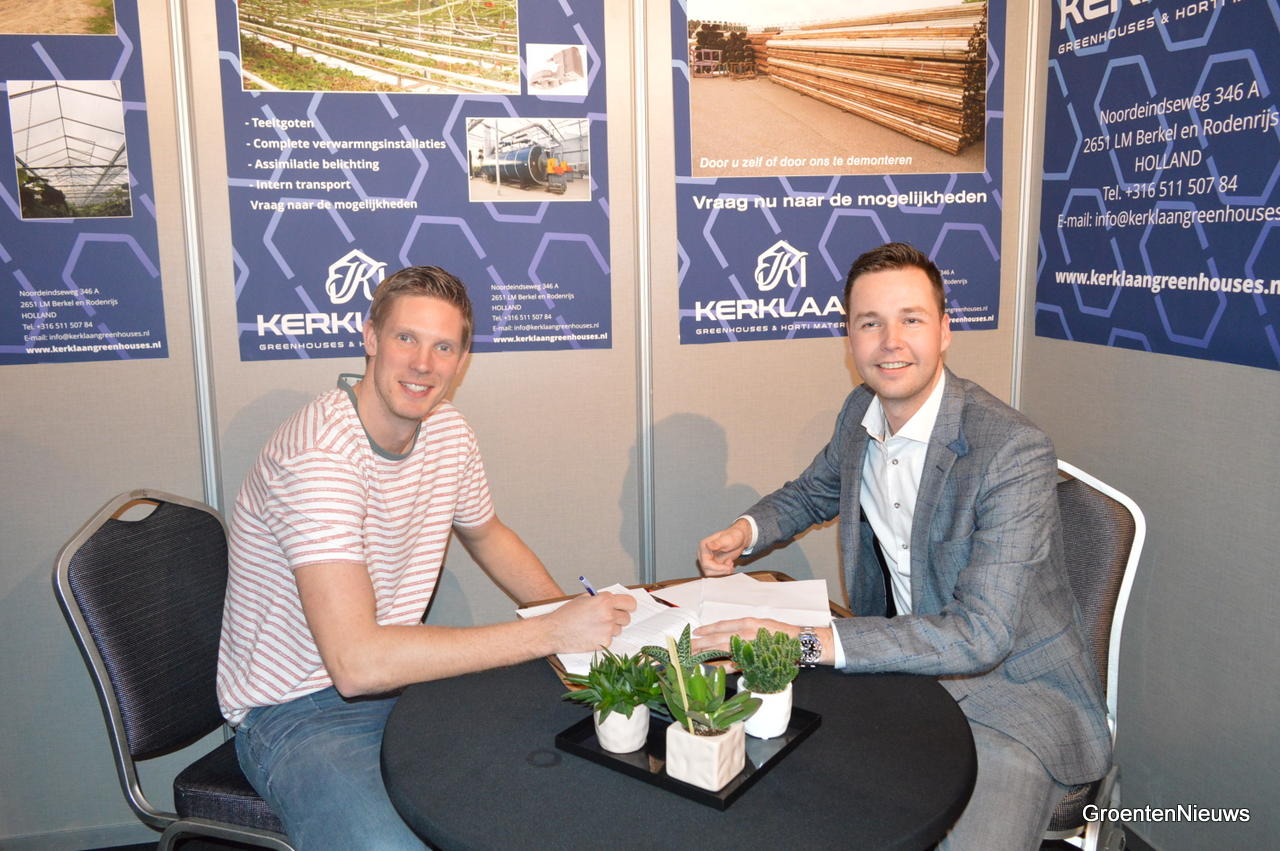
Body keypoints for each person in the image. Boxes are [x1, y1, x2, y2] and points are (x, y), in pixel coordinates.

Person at [693, 243, 1110, 850]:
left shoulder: (1011, 450)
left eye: (911, 319)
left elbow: (981, 636)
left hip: (1014, 699)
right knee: (793, 800)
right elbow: (814, 491)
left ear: (944, 331)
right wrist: (746, 532)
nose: (891, 342)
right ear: (850, 339)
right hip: (902, 674)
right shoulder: (860, 410)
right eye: (871, 323)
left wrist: (802, 641)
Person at [216, 265, 635, 849]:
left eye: (443, 347)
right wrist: (549, 631)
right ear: (371, 338)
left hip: (402, 688)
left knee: (551, 789)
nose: (423, 364)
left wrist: (565, 618)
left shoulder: (448, 431)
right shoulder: (319, 457)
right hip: (295, 711)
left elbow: (487, 534)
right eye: (406, 338)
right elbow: (356, 664)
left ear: (461, 361)